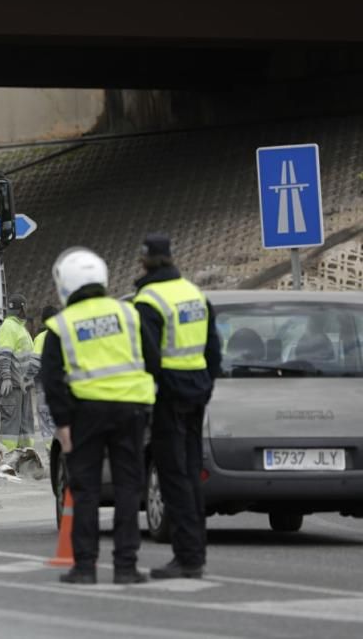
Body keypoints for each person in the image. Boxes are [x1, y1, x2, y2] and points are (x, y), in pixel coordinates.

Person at [40, 247, 159, 585]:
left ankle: (85, 567)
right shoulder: (130, 314)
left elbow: (52, 379)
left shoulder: (61, 325)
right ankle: (126, 566)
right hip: (131, 412)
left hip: (85, 415)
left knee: (86, 490)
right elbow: (154, 360)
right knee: (127, 488)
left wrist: (62, 424)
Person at [133, 233, 221, 579]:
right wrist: (204, 384)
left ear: (144, 261)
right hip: (196, 391)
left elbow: (149, 358)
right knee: (190, 472)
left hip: (169, 396)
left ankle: (187, 557)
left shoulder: (149, 300)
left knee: (174, 476)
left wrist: (158, 392)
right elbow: (214, 349)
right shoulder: (194, 294)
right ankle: (194, 552)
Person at [0, 294, 38, 452]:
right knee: (11, 423)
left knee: (25, 422)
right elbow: (4, 354)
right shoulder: (8, 327)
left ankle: (26, 455)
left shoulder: (20, 327)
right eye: (24, 307)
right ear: (21, 308)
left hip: (22, 385)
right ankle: (8, 455)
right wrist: (6, 377)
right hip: (12, 385)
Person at [33, 305, 59, 450]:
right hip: (62, 387)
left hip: (44, 387)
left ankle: (52, 450)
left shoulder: (41, 338)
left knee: (46, 419)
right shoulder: (66, 335)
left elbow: (35, 364)